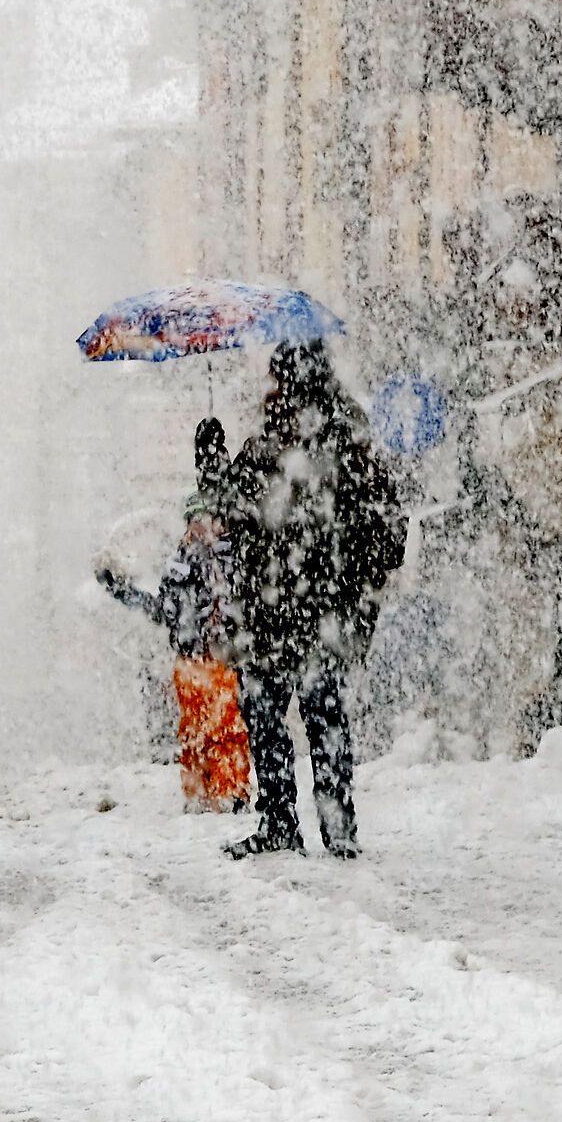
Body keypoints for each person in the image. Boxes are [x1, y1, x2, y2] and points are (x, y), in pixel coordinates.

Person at [218, 339, 404, 860]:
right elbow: (230, 514)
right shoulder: (303, 444)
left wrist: (347, 582)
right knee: (292, 715)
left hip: (296, 611)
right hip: (286, 612)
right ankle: (317, 827)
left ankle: (300, 825)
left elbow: (386, 532)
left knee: (296, 716)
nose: (270, 388)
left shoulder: (330, 445)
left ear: (296, 383)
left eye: (277, 378)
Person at [97, 418, 252, 812]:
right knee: (200, 731)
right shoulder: (193, 558)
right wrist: (120, 589)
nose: (196, 530)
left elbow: (169, 608)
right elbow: (163, 608)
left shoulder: (223, 556)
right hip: (195, 661)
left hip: (217, 660)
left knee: (223, 730)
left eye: (204, 521)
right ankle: (203, 794)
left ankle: (226, 793)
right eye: (192, 522)